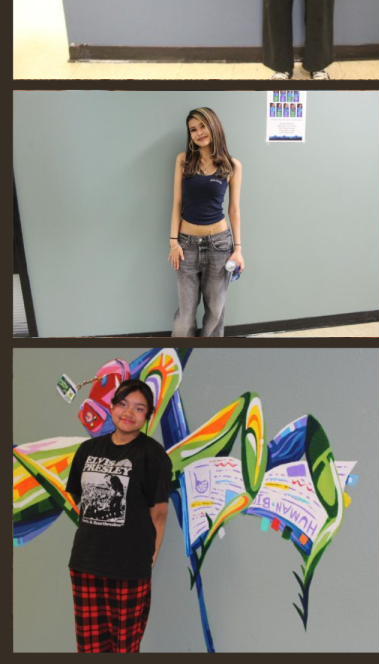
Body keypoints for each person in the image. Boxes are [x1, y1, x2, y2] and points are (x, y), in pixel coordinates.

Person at [64, 380, 171, 653]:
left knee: (125, 647)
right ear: (111, 407)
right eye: (122, 404)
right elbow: (78, 497)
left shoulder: (153, 455)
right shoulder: (88, 450)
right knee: (89, 647)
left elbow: (158, 513)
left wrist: (151, 556)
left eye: (138, 408)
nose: (128, 412)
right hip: (85, 564)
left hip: (129, 568)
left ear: (147, 416)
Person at [169, 107, 244, 336]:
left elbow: (233, 209)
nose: (198, 132)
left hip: (220, 245)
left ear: (213, 126)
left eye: (202, 126)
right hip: (186, 246)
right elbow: (177, 204)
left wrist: (238, 249)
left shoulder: (232, 165)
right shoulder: (183, 161)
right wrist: (173, 242)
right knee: (186, 313)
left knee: (215, 310)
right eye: (193, 129)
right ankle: (180, 358)